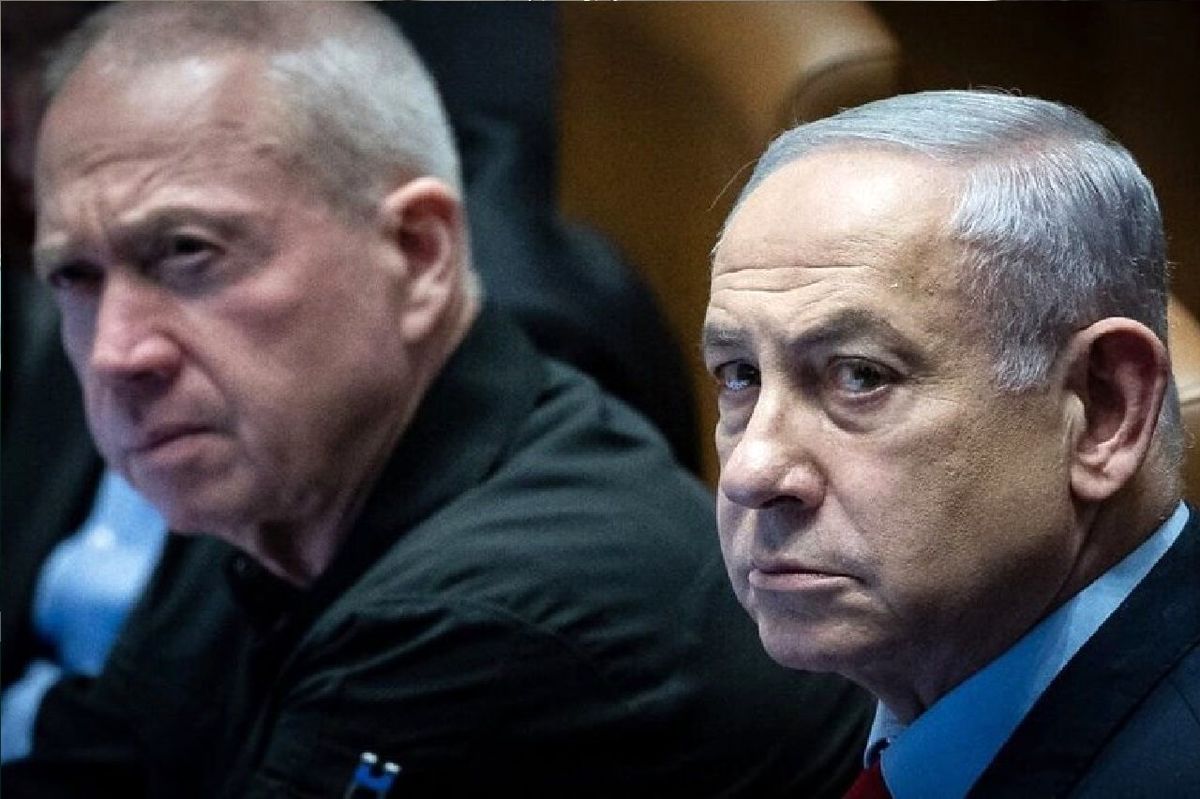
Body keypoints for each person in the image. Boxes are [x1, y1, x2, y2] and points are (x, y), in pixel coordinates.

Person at [3, 2, 872, 797]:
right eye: (75, 276)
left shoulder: (486, 615)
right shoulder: (264, 483)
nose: (117, 351)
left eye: (189, 252)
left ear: (418, 252)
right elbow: (91, 765)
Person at [702, 89, 1200, 798]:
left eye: (860, 376)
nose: (751, 471)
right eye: (740, 375)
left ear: (1101, 412)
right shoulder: (886, 683)